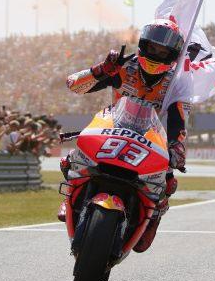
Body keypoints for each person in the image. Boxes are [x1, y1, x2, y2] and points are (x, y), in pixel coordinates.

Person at [64, 19, 190, 253]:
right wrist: (100, 70)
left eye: (162, 51)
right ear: (143, 45)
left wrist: (177, 146)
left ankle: (153, 215)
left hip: (150, 137)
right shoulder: (123, 65)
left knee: (168, 181)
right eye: (152, 47)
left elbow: (178, 121)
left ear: (172, 55)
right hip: (112, 127)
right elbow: (73, 85)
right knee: (71, 158)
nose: (156, 54)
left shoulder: (176, 84)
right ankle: (70, 195)